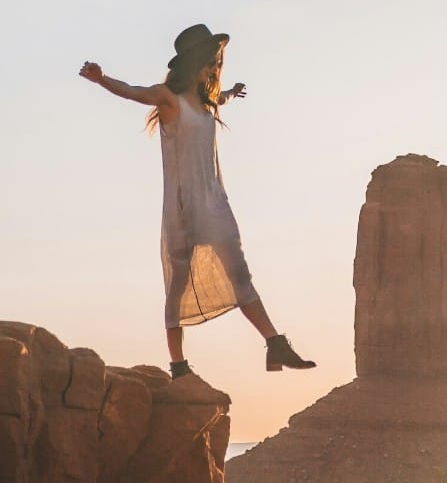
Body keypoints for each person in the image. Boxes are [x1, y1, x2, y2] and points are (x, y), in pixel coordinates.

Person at [79, 24, 315, 379]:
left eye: (215, 65)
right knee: (178, 284)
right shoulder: (168, 98)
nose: (213, 70)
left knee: (239, 272)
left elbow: (220, 100)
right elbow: (133, 92)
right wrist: (102, 79)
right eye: (209, 64)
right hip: (186, 207)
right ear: (194, 65)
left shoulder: (206, 104)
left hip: (214, 201)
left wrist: (232, 93)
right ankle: (179, 365)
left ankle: (275, 344)